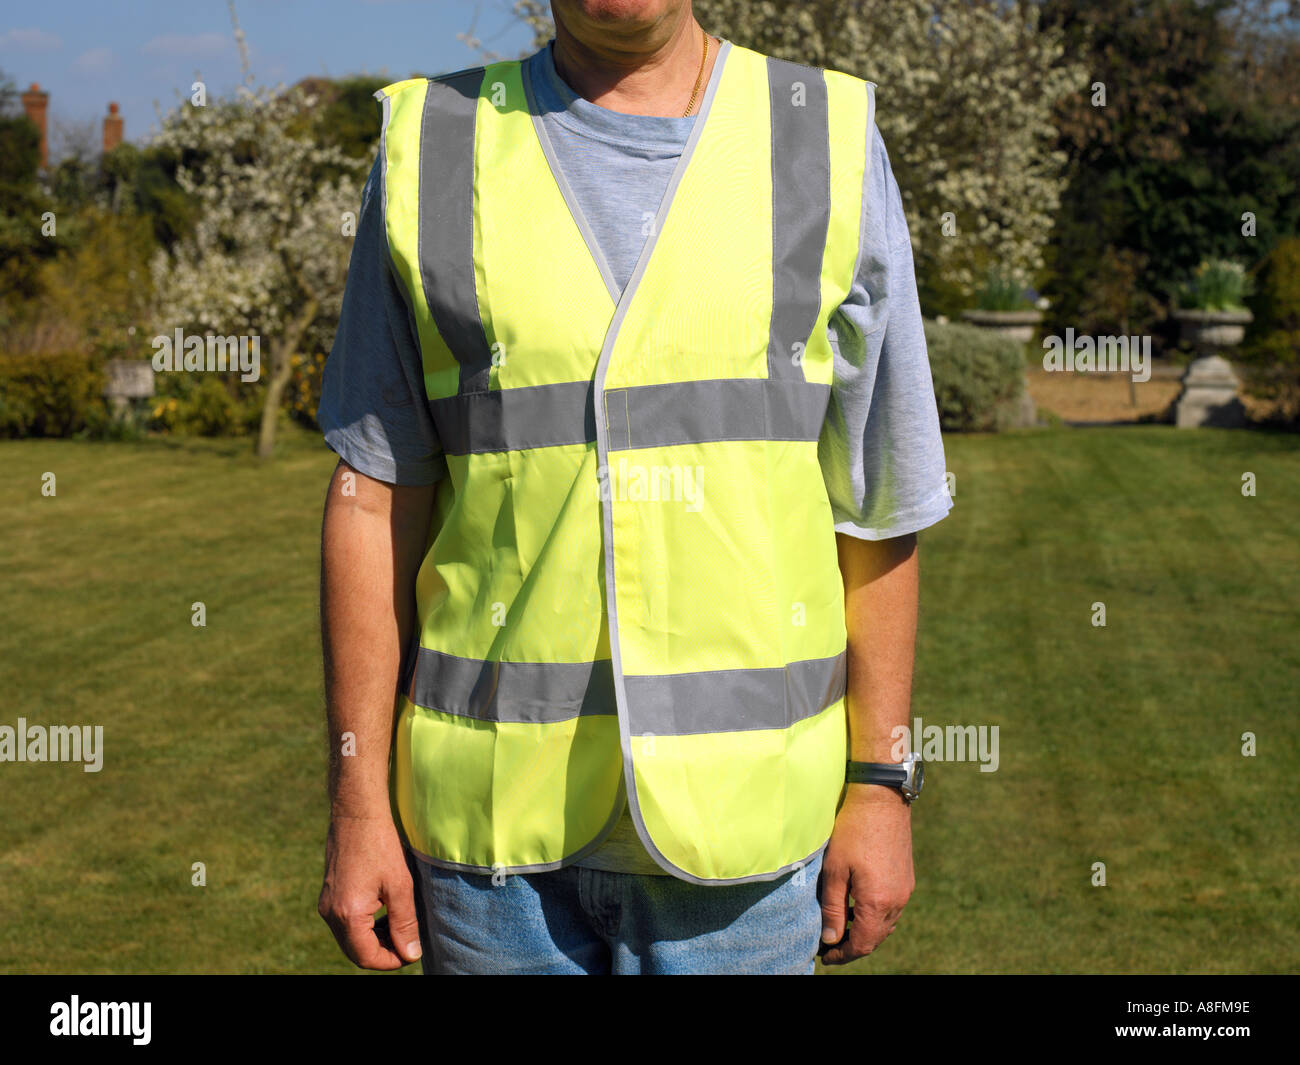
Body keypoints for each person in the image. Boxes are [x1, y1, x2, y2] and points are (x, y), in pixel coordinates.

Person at [316, 0, 951, 975]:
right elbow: (372, 499)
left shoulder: (821, 135)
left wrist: (879, 783)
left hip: (746, 851)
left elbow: (881, 503)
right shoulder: (431, 145)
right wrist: (358, 809)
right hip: (488, 857)